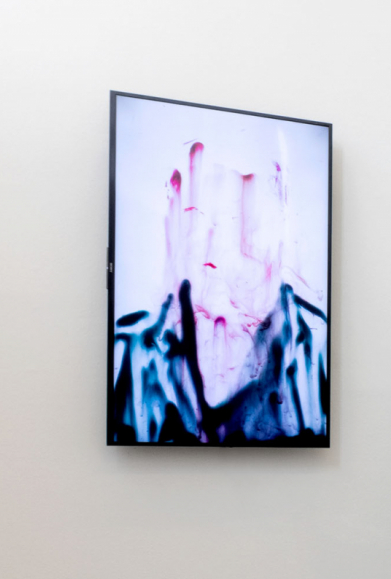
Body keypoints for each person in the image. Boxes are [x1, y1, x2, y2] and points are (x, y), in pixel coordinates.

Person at [110, 138, 327, 444]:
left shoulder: (307, 357)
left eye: (245, 252)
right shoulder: (135, 360)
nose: (220, 300)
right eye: (203, 249)